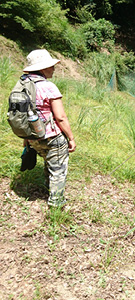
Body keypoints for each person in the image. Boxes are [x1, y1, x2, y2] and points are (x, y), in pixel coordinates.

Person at [22, 49, 76, 208]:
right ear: (42, 68)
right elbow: (60, 117)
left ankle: (48, 189)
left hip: (32, 137)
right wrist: (71, 138)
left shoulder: (23, 86)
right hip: (51, 136)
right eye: (51, 66)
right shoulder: (48, 87)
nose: (54, 68)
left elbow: (24, 114)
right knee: (58, 168)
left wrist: (26, 139)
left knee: (49, 161)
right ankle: (56, 203)